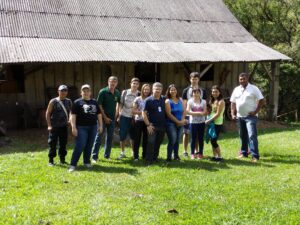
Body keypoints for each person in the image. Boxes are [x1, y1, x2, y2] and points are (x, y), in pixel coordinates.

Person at [230, 73, 265, 163]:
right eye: (240, 79)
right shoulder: (236, 89)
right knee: (242, 135)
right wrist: (232, 113)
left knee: (252, 135)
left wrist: (255, 112)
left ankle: (255, 156)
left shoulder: (254, 88)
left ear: (247, 79)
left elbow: (261, 100)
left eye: (244, 79)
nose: (242, 80)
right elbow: (233, 102)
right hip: (239, 116)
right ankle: (244, 153)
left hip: (250, 117)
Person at [69, 84, 102, 172]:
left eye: (88, 91)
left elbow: (99, 114)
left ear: (90, 92)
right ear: (81, 92)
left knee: (89, 145)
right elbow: (73, 115)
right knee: (80, 145)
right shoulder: (77, 102)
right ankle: (73, 164)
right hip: (81, 127)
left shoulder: (94, 102)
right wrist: (73, 127)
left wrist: (101, 125)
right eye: (84, 91)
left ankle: (86, 162)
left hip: (93, 127)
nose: (86, 92)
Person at [91, 76, 120, 162]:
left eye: (115, 82)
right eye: (111, 81)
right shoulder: (103, 91)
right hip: (102, 118)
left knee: (110, 137)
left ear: (116, 83)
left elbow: (118, 102)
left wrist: (117, 112)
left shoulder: (117, 92)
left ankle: (107, 155)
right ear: (108, 82)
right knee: (99, 136)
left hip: (112, 118)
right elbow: (99, 105)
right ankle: (94, 157)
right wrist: (105, 117)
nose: (113, 83)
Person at [45, 85, 72, 166]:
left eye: (65, 91)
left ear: (67, 92)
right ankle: (51, 160)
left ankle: (62, 159)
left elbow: (71, 112)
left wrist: (70, 120)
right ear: (58, 91)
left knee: (63, 143)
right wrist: (49, 125)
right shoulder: (53, 101)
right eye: (61, 91)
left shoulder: (69, 101)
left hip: (64, 126)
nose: (63, 92)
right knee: (52, 143)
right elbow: (48, 113)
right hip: (54, 126)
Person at [182, 72, 206, 157]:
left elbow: (205, 104)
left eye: (196, 79)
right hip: (188, 116)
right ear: (190, 79)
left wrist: (203, 115)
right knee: (186, 133)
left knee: (197, 135)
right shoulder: (185, 90)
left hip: (200, 117)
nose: (194, 80)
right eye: (192, 79)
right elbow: (184, 104)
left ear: (198, 80)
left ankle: (196, 150)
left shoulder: (203, 90)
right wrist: (184, 116)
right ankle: (185, 151)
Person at [142, 82, 166, 165]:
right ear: (152, 89)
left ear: (162, 90)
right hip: (152, 126)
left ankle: (155, 158)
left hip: (162, 125)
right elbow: (143, 113)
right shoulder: (148, 100)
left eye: (159, 89)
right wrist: (148, 125)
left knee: (158, 142)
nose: (158, 90)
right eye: (156, 89)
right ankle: (148, 160)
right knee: (151, 142)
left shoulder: (163, 99)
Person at [118, 78, 140, 159]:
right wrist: (119, 113)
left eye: (137, 84)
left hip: (134, 117)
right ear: (130, 83)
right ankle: (122, 152)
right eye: (133, 83)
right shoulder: (125, 92)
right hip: (124, 115)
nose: (135, 85)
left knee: (133, 136)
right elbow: (121, 104)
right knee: (122, 135)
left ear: (138, 85)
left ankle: (133, 152)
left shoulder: (139, 94)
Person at [165, 84, 187, 162]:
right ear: (169, 91)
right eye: (171, 90)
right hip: (170, 123)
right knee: (172, 140)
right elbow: (169, 114)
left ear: (176, 91)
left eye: (174, 89)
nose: (173, 91)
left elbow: (184, 111)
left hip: (180, 123)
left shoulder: (180, 100)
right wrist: (178, 122)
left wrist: (181, 121)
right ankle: (168, 157)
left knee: (177, 140)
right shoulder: (168, 101)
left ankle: (176, 156)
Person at [205, 85, 225, 162]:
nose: (214, 93)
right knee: (211, 140)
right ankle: (215, 156)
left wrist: (208, 121)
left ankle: (220, 157)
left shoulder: (221, 102)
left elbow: (218, 114)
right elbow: (211, 112)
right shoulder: (212, 101)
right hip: (211, 123)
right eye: (213, 91)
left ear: (219, 92)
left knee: (214, 140)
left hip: (217, 123)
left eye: (216, 91)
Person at [132, 83, 151, 161]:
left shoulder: (151, 99)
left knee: (146, 139)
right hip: (139, 121)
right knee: (137, 139)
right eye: (145, 89)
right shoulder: (137, 99)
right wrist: (142, 113)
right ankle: (136, 156)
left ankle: (144, 155)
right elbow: (133, 110)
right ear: (142, 90)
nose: (146, 91)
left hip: (147, 122)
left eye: (148, 89)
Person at [186, 88, 207, 159]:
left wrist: (195, 113)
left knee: (201, 138)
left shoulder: (204, 101)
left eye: (198, 92)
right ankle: (192, 153)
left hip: (202, 122)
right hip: (193, 123)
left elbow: (205, 112)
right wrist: (199, 113)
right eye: (194, 93)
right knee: (193, 138)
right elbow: (187, 112)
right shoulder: (190, 101)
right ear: (192, 94)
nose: (196, 94)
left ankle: (200, 153)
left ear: (200, 94)